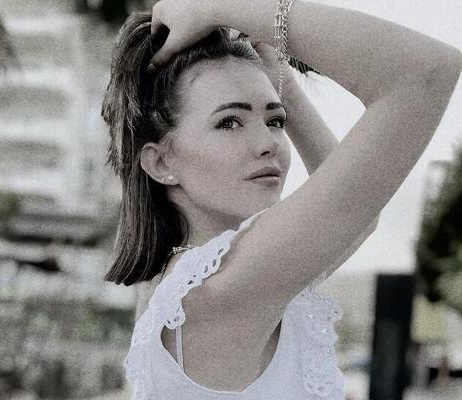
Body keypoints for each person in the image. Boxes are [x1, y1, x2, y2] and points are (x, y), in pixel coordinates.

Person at [100, 0, 462, 398]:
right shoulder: (223, 289)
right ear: (161, 162)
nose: (268, 143)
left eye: (275, 120)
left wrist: (281, 80)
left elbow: (361, 218)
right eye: (229, 122)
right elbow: (425, 72)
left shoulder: (200, 283)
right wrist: (220, 7)